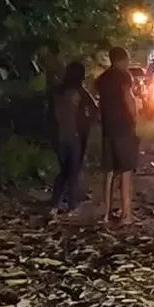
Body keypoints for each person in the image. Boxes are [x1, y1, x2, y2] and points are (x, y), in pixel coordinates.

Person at [94, 47, 139, 225]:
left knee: (109, 171)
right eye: (126, 60)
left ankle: (106, 214)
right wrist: (134, 120)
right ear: (122, 60)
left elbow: (99, 102)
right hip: (124, 127)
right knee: (126, 170)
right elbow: (129, 99)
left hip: (108, 128)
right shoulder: (124, 76)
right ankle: (126, 215)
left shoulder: (102, 79)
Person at [49, 61, 97, 218]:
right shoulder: (80, 92)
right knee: (73, 172)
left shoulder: (56, 92)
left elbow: (49, 114)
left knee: (63, 171)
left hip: (58, 135)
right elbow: (94, 109)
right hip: (75, 136)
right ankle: (72, 206)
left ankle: (54, 205)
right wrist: (88, 123)